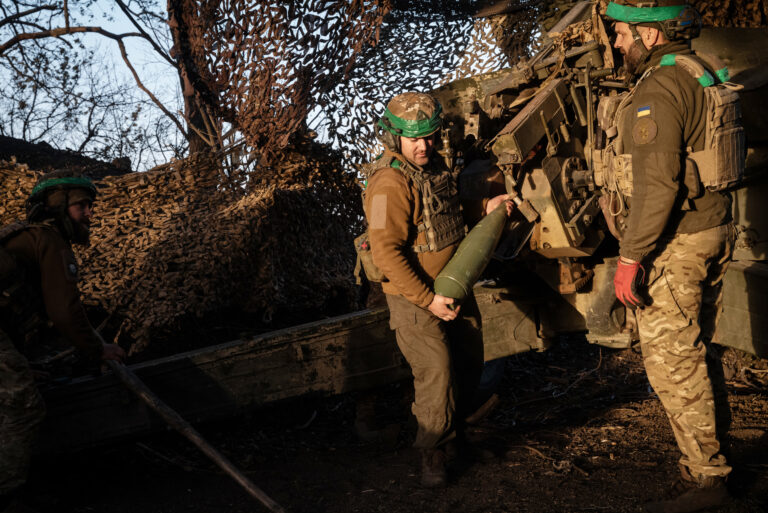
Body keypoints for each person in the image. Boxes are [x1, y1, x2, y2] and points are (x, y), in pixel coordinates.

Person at [601, 2, 743, 511]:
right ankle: (712, 461)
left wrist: (630, 257)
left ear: (651, 35)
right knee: (697, 350)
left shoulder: (659, 89)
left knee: (672, 363)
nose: (618, 44)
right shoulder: (699, 70)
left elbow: (658, 185)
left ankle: (709, 480)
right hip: (714, 227)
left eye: (621, 34)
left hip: (678, 242)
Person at [362, 92, 511, 487]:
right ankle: (432, 452)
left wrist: (486, 209)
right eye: (414, 139)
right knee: (437, 373)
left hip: (455, 285)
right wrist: (429, 299)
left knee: (468, 363)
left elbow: (453, 217)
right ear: (394, 138)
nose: (424, 145)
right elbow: (385, 251)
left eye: (429, 136)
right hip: (414, 298)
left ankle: (457, 439)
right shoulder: (384, 185)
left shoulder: (436, 168)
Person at [0, 169, 126, 511]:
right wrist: (98, 348)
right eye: (82, 205)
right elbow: (65, 312)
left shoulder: (21, 239)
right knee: (25, 407)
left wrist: (22, 365)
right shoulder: (50, 240)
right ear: (57, 205)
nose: (89, 213)